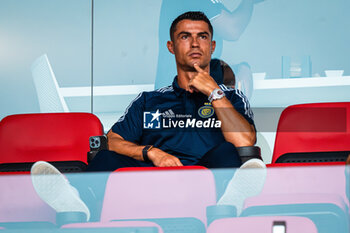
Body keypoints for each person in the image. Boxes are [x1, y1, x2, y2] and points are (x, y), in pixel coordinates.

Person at [31, 11, 266, 222]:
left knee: (226, 151)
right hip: (151, 182)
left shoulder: (231, 98)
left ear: (212, 46)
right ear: (171, 46)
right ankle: (76, 201)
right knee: (106, 158)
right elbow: (113, 140)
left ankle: (229, 201)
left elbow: (245, 142)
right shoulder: (149, 100)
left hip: (206, 184)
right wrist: (151, 152)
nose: (195, 43)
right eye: (185, 36)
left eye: (202, 36)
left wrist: (214, 92)